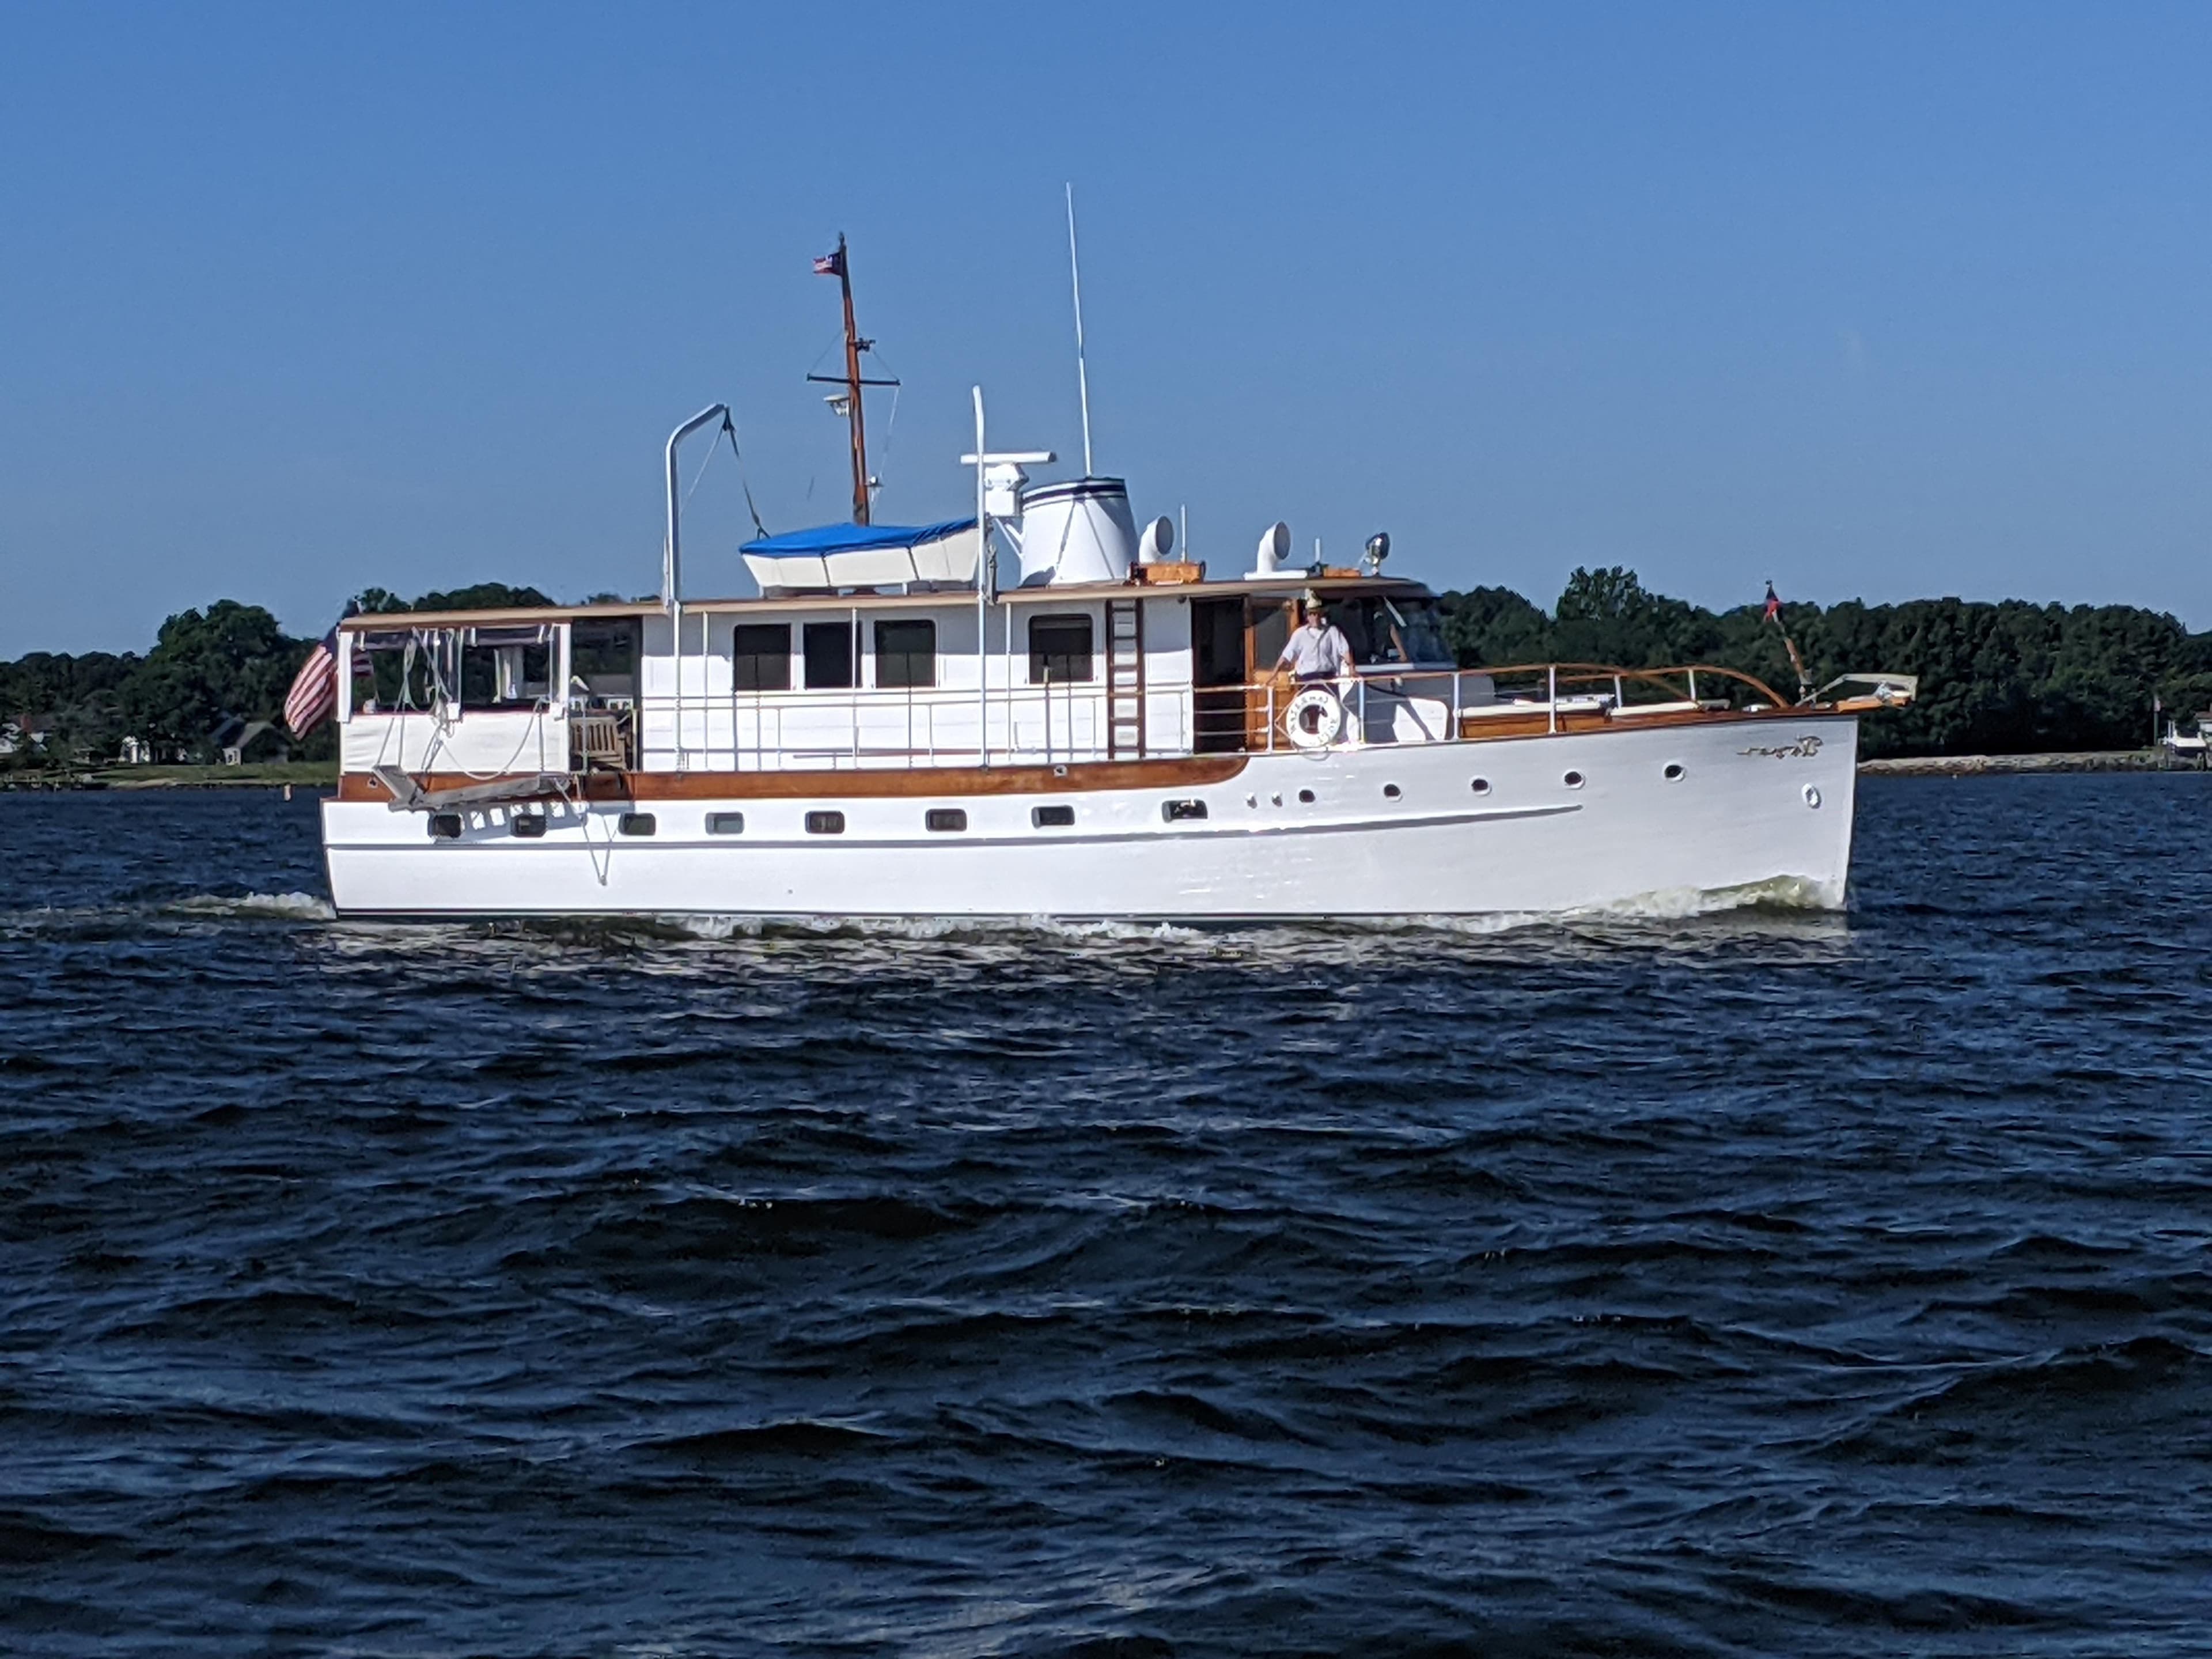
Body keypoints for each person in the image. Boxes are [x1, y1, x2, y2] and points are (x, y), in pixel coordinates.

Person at [1277, 593, 1352, 681]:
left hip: (1328, 678)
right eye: (1311, 614)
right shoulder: (1299, 634)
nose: (1315, 617)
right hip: (1306, 679)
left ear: (1321, 614)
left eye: (1317, 614)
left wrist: (1352, 667)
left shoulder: (1333, 631)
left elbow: (1345, 650)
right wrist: (1273, 675)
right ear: (1307, 617)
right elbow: (1287, 655)